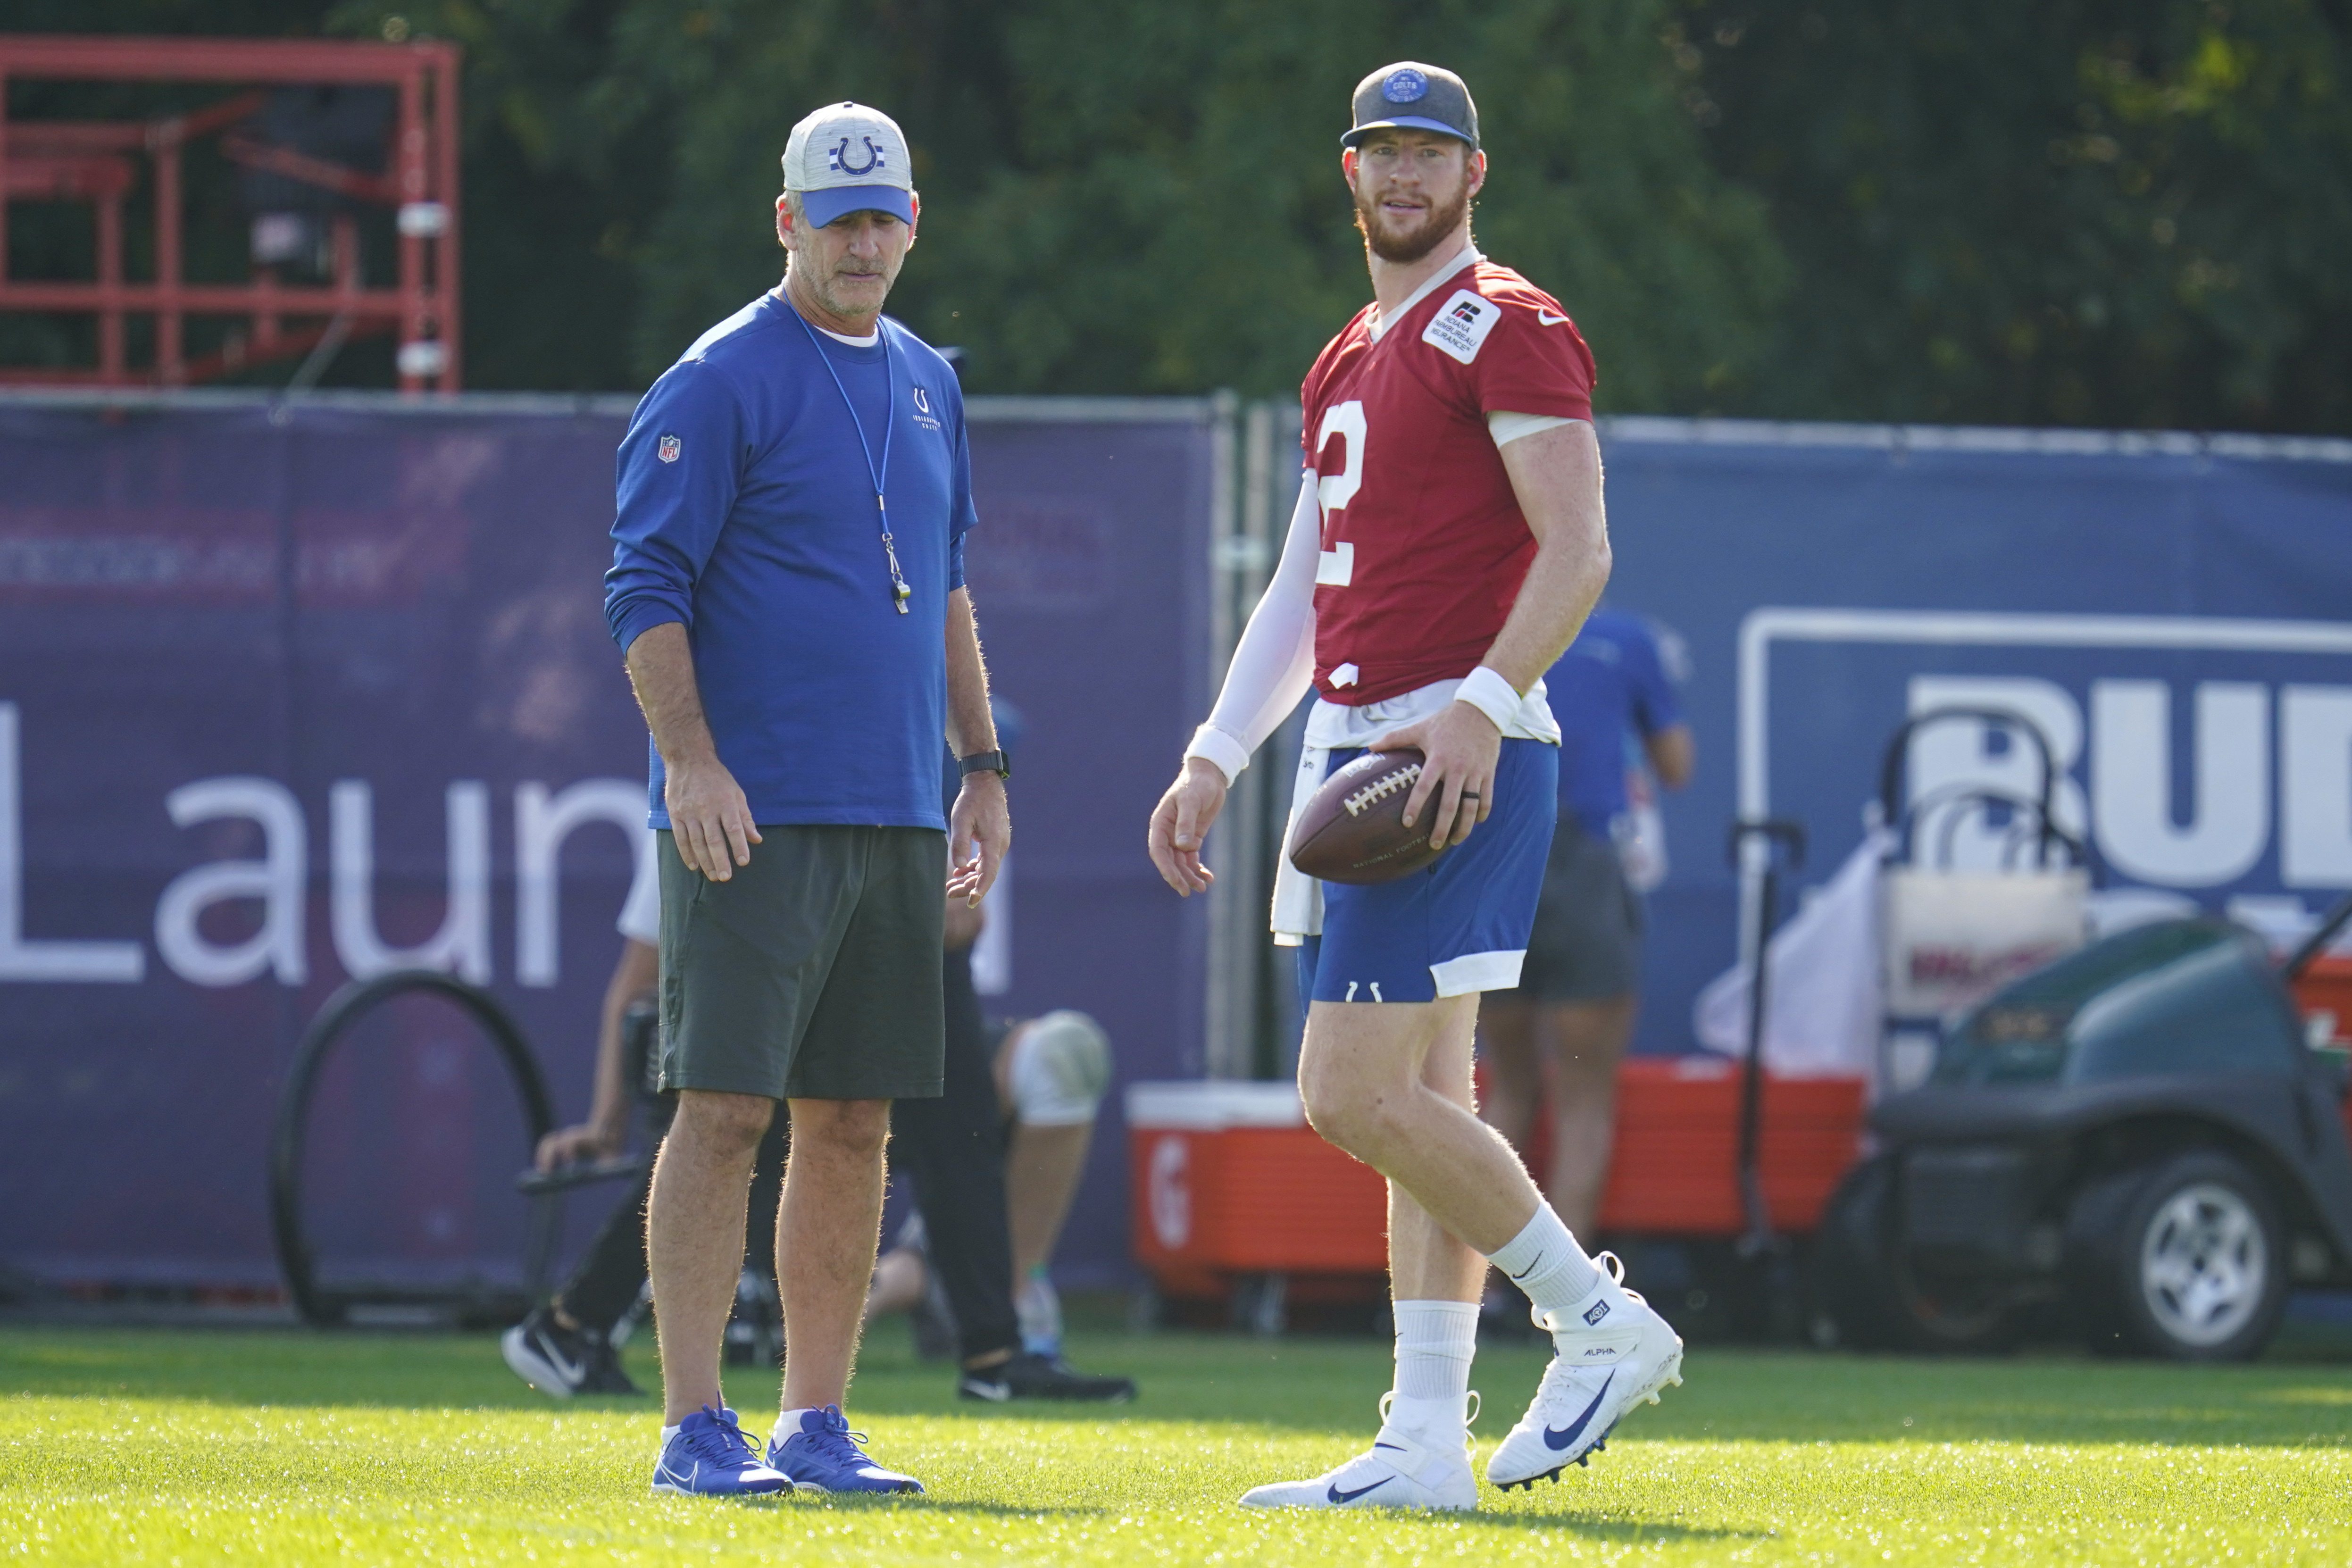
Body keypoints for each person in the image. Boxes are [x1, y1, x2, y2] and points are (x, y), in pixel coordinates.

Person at [1146, 63, 1683, 1510]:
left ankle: (1597, 1320)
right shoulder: (1345, 355)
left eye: (1427, 154)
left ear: (1474, 174)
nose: (1402, 175)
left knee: (1345, 1087)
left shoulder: (1507, 322)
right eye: (1380, 151)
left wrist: (1479, 711)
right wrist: (1217, 750)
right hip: (1362, 740)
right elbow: (1300, 593)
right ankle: (1425, 1440)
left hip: (1453, 753)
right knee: (1423, 1098)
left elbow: (1579, 550)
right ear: (1348, 172)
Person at [604, 100, 1007, 1499]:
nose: (861, 240)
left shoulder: (928, 379)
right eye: (835, 217)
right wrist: (692, 761)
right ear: (787, 220)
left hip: (897, 807)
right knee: (722, 1112)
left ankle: (815, 1422)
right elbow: (641, 587)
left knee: (854, 1122)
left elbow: (947, 586)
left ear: (913, 218)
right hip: (753, 811)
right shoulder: (719, 378)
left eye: (881, 214)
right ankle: (694, 1425)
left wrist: (984, 766)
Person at [1479, 611, 1694, 1241]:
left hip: (1495, 873)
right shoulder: (1625, 641)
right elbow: (1677, 766)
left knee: (1507, 1091)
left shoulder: (1480, 627)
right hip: (1584, 872)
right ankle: (1565, 1304)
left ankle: (1477, 1293)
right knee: (1582, 1101)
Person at [864, 889, 1122, 1371]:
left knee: (1066, 1054)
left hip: (922, 1053)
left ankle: (1012, 1295)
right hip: (793, 1062)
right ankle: (872, 1293)